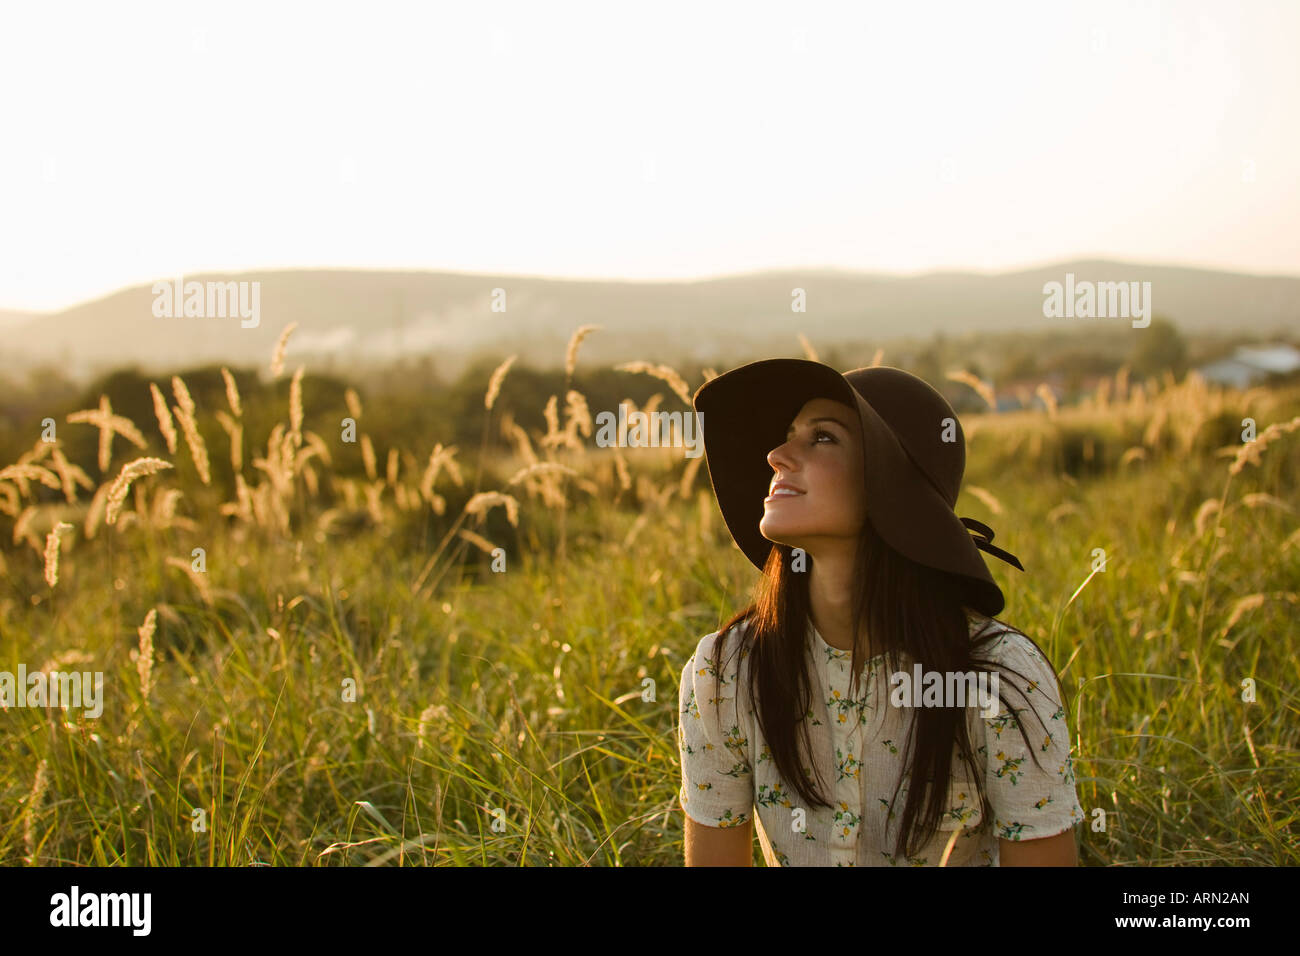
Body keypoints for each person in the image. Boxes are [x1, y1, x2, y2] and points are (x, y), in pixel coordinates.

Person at [678, 359, 1084, 866]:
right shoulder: (726, 673)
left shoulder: (999, 683)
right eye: (787, 436)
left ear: (892, 486)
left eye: (822, 437)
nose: (777, 455)